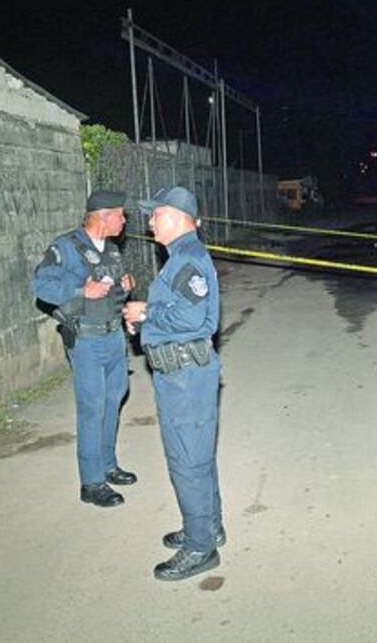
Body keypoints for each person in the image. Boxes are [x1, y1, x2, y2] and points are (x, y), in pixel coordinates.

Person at [123, 186, 224, 581]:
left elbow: (194, 321)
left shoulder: (188, 259)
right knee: (197, 455)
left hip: (185, 376)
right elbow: (181, 313)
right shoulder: (182, 257)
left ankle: (200, 546)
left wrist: (147, 315)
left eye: (156, 214)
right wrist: (148, 314)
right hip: (182, 373)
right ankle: (207, 525)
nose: (149, 222)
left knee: (187, 459)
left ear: (179, 217)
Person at [31, 190, 138, 508]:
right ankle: (91, 482)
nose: (124, 220)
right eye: (120, 214)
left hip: (113, 336)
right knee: (93, 408)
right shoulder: (66, 246)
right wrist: (80, 291)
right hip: (87, 341)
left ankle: (107, 464)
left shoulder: (112, 250)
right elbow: (41, 285)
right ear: (103, 216)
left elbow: (108, 290)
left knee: (113, 398)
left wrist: (124, 288)